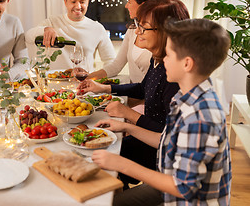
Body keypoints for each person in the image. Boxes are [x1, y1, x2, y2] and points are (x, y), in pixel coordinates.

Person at [91, 18, 232, 205]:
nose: (163, 59)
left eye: (169, 54)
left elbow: (182, 188)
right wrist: (126, 127)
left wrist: (120, 163)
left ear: (187, 64)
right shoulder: (186, 96)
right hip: (169, 185)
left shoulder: (199, 117)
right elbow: (164, 140)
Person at [78, 0, 190, 189]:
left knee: (97, 155)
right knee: (99, 145)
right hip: (152, 139)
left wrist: (128, 115)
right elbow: (141, 88)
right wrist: (105, 88)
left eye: (144, 27)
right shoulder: (157, 60)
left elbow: (166, 134)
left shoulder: (173, 74)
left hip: (162, 157)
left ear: (165, 31)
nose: (137, 32)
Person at [25, 0, 115, 72]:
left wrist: (97, 79)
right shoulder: (52, 22)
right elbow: (28, 37)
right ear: (65, 1)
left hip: (84, 83)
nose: (78, 6)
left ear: (88, 1)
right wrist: (45, 29)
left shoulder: (97, 28)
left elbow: (111, 61)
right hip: (55, 83)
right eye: (73, 2)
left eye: (82, 1)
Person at [89, 0, 161, 83]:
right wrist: (89, 77)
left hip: (147, 97)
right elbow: (116, 65)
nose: (126, 5)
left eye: (129, 1)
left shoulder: (161, 35)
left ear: (143, 5)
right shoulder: (132, 31)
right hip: (133, 93)